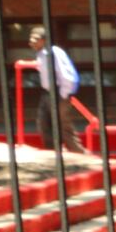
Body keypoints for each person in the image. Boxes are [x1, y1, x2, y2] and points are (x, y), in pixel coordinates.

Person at [27, 25, 85, 154]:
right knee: (44, 124)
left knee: (63, 125)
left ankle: (78, 153)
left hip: (59, 92)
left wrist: (63, 94)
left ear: (43, 40)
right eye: (31, 39)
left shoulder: (54, 52)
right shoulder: (40, 55)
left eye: (35, 39)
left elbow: (67, 74)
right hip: (46, 93)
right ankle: (53, 153)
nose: (32, 42)